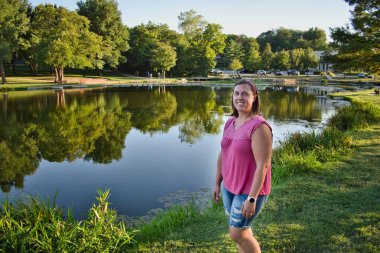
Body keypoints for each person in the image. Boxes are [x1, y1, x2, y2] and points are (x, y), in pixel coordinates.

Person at [213, 79, 272, 253]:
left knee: (236, 234)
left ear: (254, 97)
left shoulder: (259, 127)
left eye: (245, 94)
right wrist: (217, 182)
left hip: (249, 191)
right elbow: (223, 153)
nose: (240, 97)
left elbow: (263, 166)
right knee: (242, 230)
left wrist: (252, 199)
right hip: (229, 187)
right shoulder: (230, 122)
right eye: (236, 93)